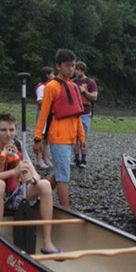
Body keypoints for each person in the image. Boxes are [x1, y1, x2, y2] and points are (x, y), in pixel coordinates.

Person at [0, 111, 58, 253]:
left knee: (45, 184)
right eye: (3, 130)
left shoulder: (18, 145)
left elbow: (36, 174)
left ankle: (47, 242)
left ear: (15, 130)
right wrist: (14, 172)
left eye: (11, 130)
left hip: (15, 194)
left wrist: (32, 179)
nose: (8, 134)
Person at [33, 49, 87, 209]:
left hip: (71, 138)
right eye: (67, 66)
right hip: (57, 138)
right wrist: (38, 139)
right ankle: (66, 210)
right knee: (63, 176)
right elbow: (43, 115)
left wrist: (82, 137)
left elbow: (77, 115)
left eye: (73, 66)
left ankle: (33, 196)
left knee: (59, 173)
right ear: (58, 66)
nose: (71, 69)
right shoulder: (52, 87)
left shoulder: (74, 87)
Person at [73, 61, 98, 168]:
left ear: (82, 70)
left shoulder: (90, 82)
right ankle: (76, 159)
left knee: (83, 137)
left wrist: (84, 92)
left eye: (77, 69)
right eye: (75, 69)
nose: (75, 71)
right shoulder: (73, 82)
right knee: (75, 138)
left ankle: (83, 160)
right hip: (74, 112)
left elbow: (94, 97)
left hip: (85, 112)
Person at [34, 67, 54, 169]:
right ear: (47, 75)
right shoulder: (42, 87)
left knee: (47, 138)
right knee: (40, 137)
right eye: (52, 73)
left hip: (49, 114)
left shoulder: (50, 86)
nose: (54, 75)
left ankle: (45, 157)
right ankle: (38, 159)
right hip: (43, 113)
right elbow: (40, 101)